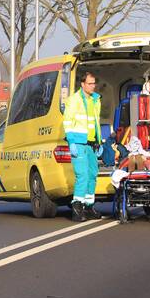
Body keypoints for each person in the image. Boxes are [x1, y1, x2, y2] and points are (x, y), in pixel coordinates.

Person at [62, 70, 103, 222]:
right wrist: (71, 142)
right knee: (82, 175)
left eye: (94, 83)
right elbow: (67, 122)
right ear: (82, 84)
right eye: (90, 83)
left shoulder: (95, 100)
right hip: (78, 143)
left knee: (92, 174)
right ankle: (77, 207)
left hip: (91, 143)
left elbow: (95, 123)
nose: (93, 86)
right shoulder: (74, 100)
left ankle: (88, 206)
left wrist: (99, 141)